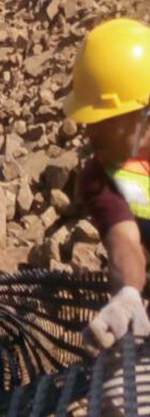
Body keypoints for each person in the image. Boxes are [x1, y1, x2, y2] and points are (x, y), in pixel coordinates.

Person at [70, 19, 150, 353]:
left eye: (104, 120)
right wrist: (128, 294)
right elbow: (124, 240)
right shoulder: (102, 177)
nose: (91, 133)